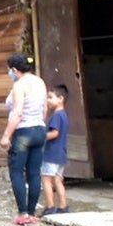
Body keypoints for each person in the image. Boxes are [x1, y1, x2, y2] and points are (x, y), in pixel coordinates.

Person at [0, 53, 47, 225]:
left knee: (17, 172)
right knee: (34, 173)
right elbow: (44, 110)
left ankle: (22, 213)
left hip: (23, 132)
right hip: (40, 130)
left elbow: (18, 112)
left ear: (14, 69)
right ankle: (32, 213)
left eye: (9, 70)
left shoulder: (19, 85)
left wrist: (6, 135)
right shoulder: (40, 82)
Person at [40, 84, 70, 216]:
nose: (48, 100)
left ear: (60, 99)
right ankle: (63, 206)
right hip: (61, 154)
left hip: (51, 153)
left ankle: (50, 207)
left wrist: (40, 136)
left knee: (46, 180)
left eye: (50, 97)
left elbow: (54, 133)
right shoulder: (64, 115)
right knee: (58, 180)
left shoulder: (56, 116)